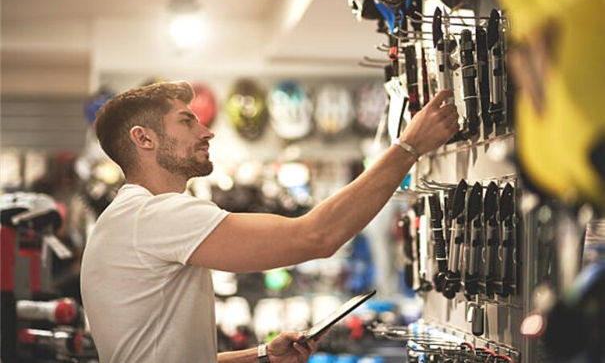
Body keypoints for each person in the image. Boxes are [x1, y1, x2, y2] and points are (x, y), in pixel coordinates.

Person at [80, 81, 458, 363]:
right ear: (143, 138)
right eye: (186, 122)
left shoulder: (126, 219)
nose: (207, 131)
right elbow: (317, 236)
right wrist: (409, 147)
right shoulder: (154, 216)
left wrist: (262, 355)